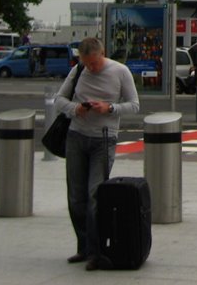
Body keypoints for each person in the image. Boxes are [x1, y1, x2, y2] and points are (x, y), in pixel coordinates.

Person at [55, 37, 139, 270]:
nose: (92, 68)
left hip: (104, 139)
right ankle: (83, 246)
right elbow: (59, 100)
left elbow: (134, 105)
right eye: (87, 63)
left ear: (103, 53)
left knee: (94, 195)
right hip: (76, 137)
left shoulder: (120, 71)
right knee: (76, 196)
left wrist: (110, 108)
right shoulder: (78, 70)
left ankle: (96, 251)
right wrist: (76, 109)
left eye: (95, 63)